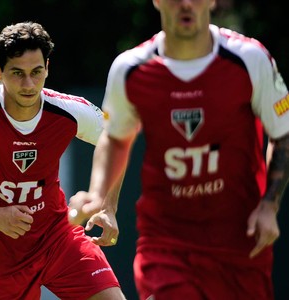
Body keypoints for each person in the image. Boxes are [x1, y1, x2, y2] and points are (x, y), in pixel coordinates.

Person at [68, 0, 289, 299]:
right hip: (166, 240)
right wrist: (101, 199)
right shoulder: (131, 69)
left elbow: (283, 133)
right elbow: (116, 138)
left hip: (240, 239)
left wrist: (269, 205)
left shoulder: (250, 58)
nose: (185, 4)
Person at [0, 21, 126, 300]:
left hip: (57, 237)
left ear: (47, 68)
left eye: (36, 72)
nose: (29, 84)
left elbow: (116, 140)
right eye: (17, 73)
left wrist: (109, 205)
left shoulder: (68, 110)